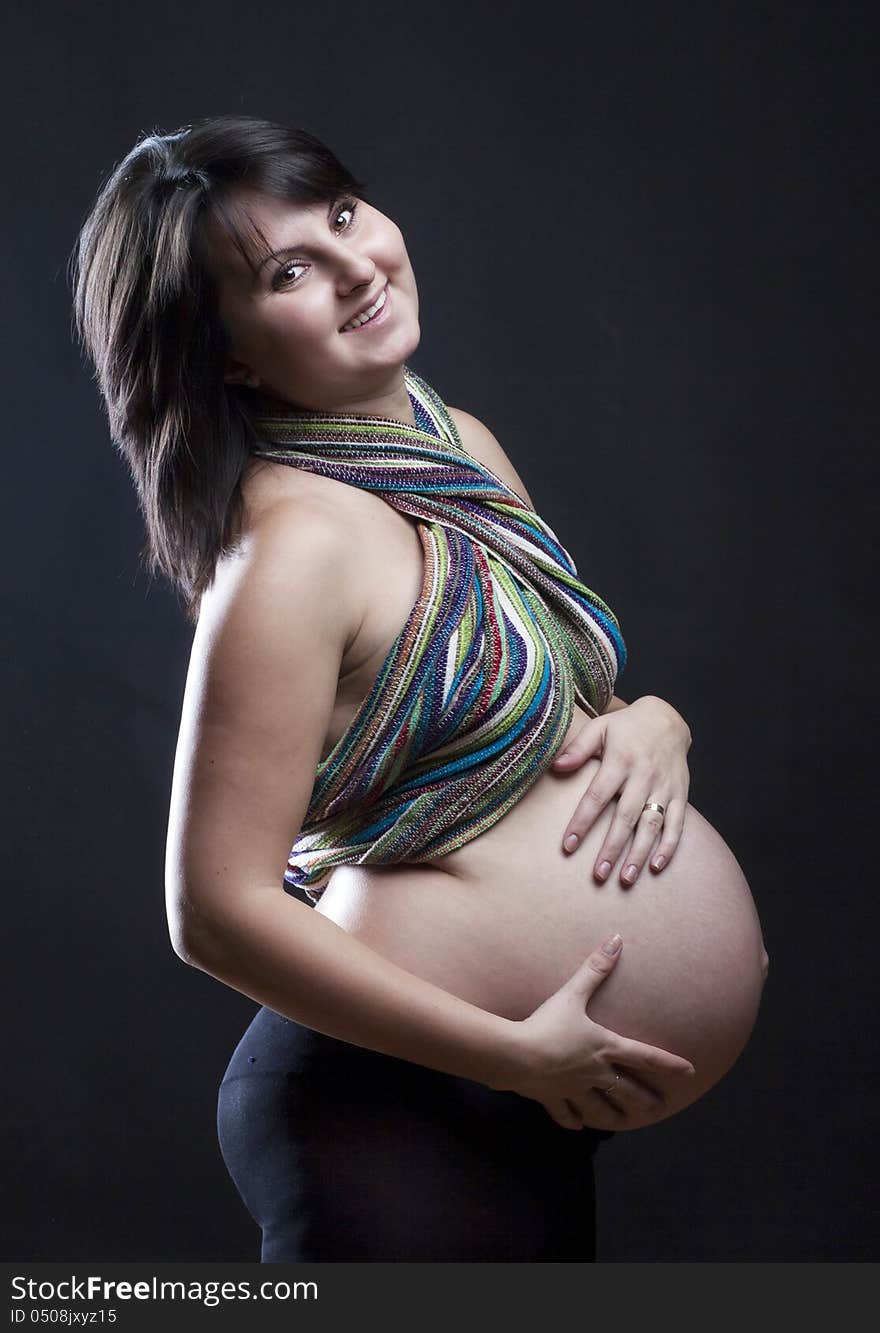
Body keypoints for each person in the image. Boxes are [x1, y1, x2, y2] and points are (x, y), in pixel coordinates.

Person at [70, 114, 770, 1262]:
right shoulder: (291, 548)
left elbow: (562, 703)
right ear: (228, 353)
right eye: (289, 271)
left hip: (530, 1101)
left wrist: (658, 724)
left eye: (343, 215)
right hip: (397, 1117)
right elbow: (212, 908)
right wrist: (509, 1054)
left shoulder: (460, 442)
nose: (355, 266)